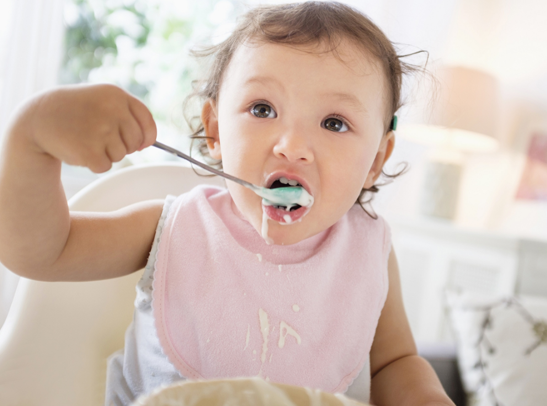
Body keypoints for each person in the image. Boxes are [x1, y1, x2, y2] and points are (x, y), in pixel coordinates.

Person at [0, 2, 453, 406]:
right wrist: (31, 140)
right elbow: (42, 251)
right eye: (262, 109)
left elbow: (393, 363)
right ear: (215, 130)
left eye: (334, 123)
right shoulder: (176, 226)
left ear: (376, 160)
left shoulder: (368, 251)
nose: (292, 146)